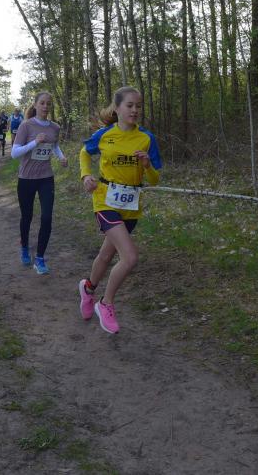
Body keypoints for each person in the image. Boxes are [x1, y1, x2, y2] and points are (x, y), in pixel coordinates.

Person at [78, 86, 162, 334]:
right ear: (117, 108)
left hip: (130, 206)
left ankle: (88, 288)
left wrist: (147, 165)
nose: (135, 110)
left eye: (138, 106)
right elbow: (84, 153)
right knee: (130, 257)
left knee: (106, 255)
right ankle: (106, 303)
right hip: (105, 201)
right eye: (130, 105)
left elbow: (155, 180)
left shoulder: (147, 138)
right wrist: (86, 176)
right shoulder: (105, 135)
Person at [11, 91, 67, 274]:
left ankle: (40, 258)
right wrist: (34, 142)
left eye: (48, 103)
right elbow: (14, 153)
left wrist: (61, 157)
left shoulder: (55, 127)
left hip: (46, 178)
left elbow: (54, 146)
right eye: (42, 103)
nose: (45, 106)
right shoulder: (26, 126)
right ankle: (24, 247)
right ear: (35, 105)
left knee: (47, 217)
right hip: (26, 178)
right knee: (26, 216)